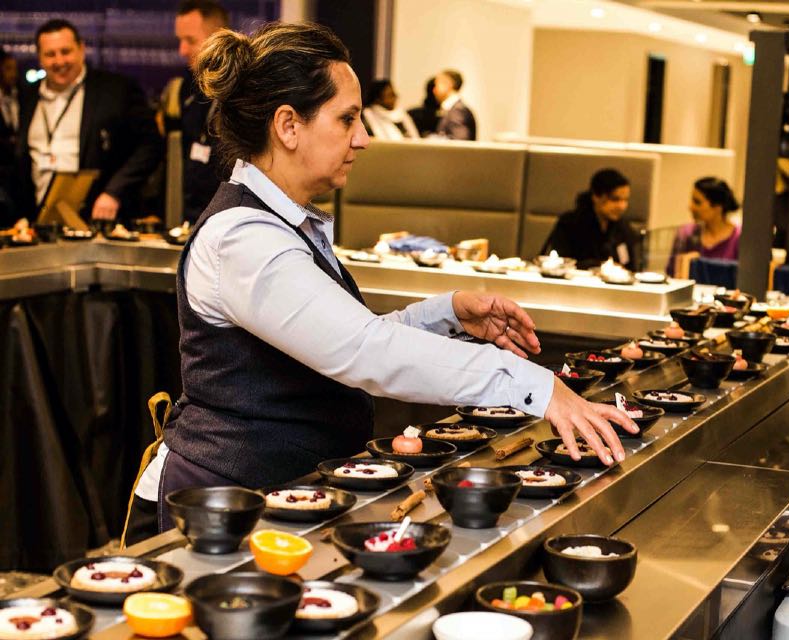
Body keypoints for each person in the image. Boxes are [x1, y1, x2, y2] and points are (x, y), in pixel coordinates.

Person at [124, 22, 634, 542]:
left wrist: (447, 314)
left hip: (276, 495)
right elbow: (364, 350)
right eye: (347, 118)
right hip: (216, 503)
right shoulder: (242, 239)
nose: (363, 138)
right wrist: (536, 387)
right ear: (288, 125)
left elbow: (340, 338)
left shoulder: (279, 221)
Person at [15, 19, 161, 221]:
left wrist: (114, 192)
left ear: (81, 49)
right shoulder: (26, 96)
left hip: (97, 217)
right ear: (40, 58)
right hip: (40, 220)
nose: (59, 61)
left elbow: (151, 145)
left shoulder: (116, 90)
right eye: (50, 54)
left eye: (65, 51)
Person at [165, 0, 229, 223]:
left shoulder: (243, 91)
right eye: (180, 40)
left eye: (190, 41)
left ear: (218, 38)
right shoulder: (187, 88)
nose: (182, 50)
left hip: (231, 218)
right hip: (193, 218)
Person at [541, 168, 639, 270]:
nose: (622, 206)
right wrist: (599, 265)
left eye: (625, 200)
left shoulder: (622, 228)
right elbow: (562, 262)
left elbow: (630, 266)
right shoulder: (570, 223)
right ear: (596, 196)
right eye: (615, 199)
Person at [666, 177, 741, 277]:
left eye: (697, 202)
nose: (691, 207)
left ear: (718, 207)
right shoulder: (687, 233)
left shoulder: (738, 237)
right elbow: (673, 274)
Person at [432, 69, 476, 141]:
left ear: (448, 84)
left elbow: (459, 141)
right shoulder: (453, 108)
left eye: (437, 84)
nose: (434, 90)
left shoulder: (458, 110)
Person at [0, 49, 18, 225]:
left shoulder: (18, 95)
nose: (13, 74)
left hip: (13, 177)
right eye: (8, 68)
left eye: (15, 69)